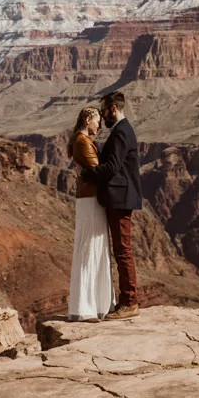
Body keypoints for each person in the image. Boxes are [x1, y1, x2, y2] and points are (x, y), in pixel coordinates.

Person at [81, 91, 141, 319]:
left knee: (123, 251)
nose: (103, 116)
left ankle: (129, 302)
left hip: (120, 198)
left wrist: (87, 174)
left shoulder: (121, 132)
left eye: (104, 111)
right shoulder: (121, 131)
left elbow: (112, 167)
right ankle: (127, 300)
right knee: (121, 250)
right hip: (119, 197)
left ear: (113, 109)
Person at [66, 106, 112, 321]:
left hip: (91, 198)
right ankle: (84, 309)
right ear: (87, 120)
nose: (99, 126)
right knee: (89, 248)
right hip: (90, 198)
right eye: (97, 121)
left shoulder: (82, 141)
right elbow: (98, 170)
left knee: (95, 247)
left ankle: (96, 305)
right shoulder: (82, 142)